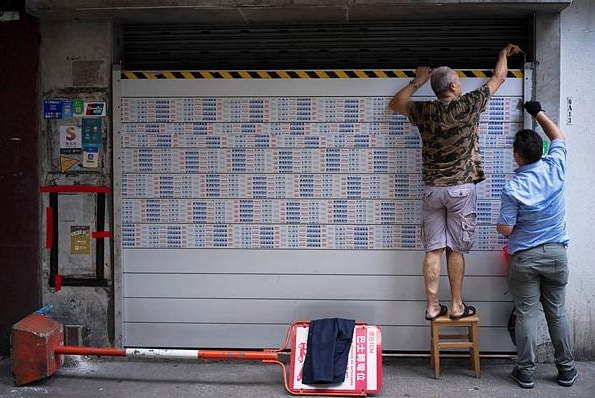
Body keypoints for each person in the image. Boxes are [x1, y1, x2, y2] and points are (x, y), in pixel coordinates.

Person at [388, 43, 522, 321]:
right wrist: (501, 54)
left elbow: (395, 103)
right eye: (458, 82)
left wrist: (417, 82)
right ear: (451, 87)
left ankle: (432, 306)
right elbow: (498, 78)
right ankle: (458, 305)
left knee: (433, 248)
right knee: (457, 248)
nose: (461, 86)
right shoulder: (468, 104)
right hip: (461, 188)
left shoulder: (424, 112)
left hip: (432, 189)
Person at [496, 101, 577, 389]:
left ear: (516, 156)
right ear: (541, 151)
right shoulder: (555, 167)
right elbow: (558, 137)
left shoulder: (512, 187)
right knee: (557, 311)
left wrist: (515, 224)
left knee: (527, 314)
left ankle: (526, 372)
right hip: (557, 255)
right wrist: (537, 112)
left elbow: (505, 228)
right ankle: (567, 370)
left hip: (525, 259)